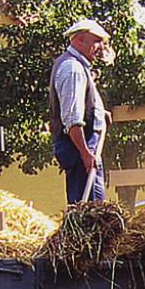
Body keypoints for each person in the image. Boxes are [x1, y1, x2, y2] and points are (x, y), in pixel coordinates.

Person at [50, 19, 114, 203]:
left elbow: (80, 105)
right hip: (80, 151)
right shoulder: (73, 69)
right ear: (79, 40)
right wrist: (85, 154)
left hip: (82, 150)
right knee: (90, 212)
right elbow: (72, 120)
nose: (101, 47)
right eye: (96, 41)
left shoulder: (75, 65)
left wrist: (99, 112)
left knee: (91, 209)